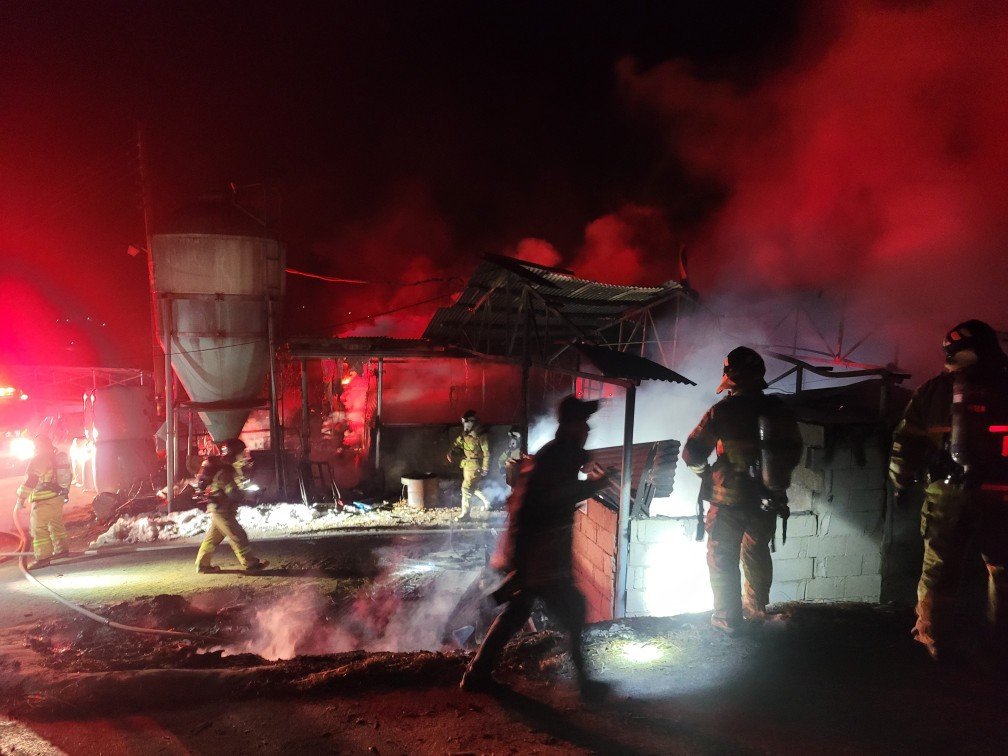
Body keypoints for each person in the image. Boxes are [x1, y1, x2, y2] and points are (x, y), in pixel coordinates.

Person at [461, 395, 611, 701]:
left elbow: (561, 483)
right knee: (573, 610)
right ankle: (585, 686)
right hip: (541, 552)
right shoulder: (558, 456)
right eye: (583, 423)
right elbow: (558, 496)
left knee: (517, 611)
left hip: (538, 549)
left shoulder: (558, 453)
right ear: (571, 425)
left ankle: (476, 674)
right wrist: (595, 484)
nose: (587, 429)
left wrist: (587, 466)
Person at [889, 319, 1008, 661]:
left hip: (946, 493)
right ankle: (1000, 641)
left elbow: (905, 443)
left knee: (939, 569)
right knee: (1002, 567)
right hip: (1001, 493)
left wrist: (900, 483)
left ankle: (933, 637)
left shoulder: (932, 391)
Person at [682, 347, 802, 636]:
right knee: (756, 552)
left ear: (730, 379)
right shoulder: (778, 410)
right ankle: (757, 610)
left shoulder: (722, 411)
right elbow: (795, 451)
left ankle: (728, 618)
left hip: (728, 500)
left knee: (722, 558)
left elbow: (692, 453)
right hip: (766, 500)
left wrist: (707, 475)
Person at [194, 438, 268, 573]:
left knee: (211, 540)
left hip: (220, 510)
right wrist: (249, 498)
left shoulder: (228, 469)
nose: (244, 456)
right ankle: (251, 564)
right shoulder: (225, 472)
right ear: (234, 454)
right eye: (241, 453)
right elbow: (232, 493)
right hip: (222, 511)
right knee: (238, 536)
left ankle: (202, 565)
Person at [14, 437, 72, 570]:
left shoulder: (39, 459)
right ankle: (62, 550)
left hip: (44, 500)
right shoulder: (55, 457)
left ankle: (43, 558)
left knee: (38, 528)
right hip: (57, 498)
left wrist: (21, 498)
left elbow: (31, 481)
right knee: (55, 524)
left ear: (37, 446)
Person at [446, 409, 491, 521]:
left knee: (466, 488)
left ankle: (465, 515)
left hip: (475, 465)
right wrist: (451, 451)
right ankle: (488, 502)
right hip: (467, 465)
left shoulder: (480, 435)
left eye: (465, 422)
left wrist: (485, 467)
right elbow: (458, 442)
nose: (464, 425)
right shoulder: (466, 434)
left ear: (472, 422)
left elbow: (486, 452)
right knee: (473, 487)